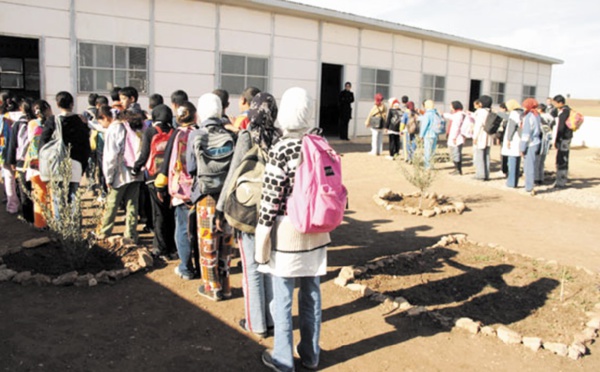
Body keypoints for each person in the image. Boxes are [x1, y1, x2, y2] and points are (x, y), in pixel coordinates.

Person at [255, 87, 330, 372]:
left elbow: (271, 198)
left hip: (287, 231)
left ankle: (283, 359)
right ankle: (311, 355)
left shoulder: (282, 147)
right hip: (318, 228)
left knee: (283, 297)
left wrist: (263, 231)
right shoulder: (321, 144)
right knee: (312, 293)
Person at [216, 92, 281, 336]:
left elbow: (234, 173)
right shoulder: (279, 136)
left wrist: (221, 208)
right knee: (270, 267)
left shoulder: (246, 135)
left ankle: (256, 323)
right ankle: (272, 320)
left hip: (248, 212)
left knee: (251, 270)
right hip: (272, 213)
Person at [187, 93, 235, 301]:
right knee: (226, 241)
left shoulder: (195, 135)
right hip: (228, 196)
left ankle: (211, 287)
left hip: (206, 195)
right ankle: (225, 286)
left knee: (208, 241)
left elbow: (190, 167)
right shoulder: (231, 134)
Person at [155, 101, 198, 280]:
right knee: (199, 231)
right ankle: (203, 267)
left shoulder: (175, 135)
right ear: (195, 116)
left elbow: (165, 163)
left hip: (180, 190)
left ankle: (186, 268)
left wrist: (161, 185)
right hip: (199, 189)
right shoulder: (199, 134)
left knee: (182, 229)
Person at [131, 104, 176, 258]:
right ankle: (173, 247)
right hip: (171, 178)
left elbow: (144, 156)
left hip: (153, 179)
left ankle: (160, 248)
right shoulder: (174, 132)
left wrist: (135, 169)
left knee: (158, 214)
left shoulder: (150, 132)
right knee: (171, 213)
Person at [40, 91, 91, 214]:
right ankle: (74, 224)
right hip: (76, 163)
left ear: (57, 104)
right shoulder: (80, 121)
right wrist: (83, 166)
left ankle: (60, 226)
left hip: (57, 162)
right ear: (72, 104)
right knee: (74, 195)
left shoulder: (53, 121)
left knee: (58, 196)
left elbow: (43, 142)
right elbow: (86, 146)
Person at [98, 109, 145, 241]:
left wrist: (108, 176)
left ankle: (104, 232)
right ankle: (130, 234)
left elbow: (110, 156)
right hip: (136, 171)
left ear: (106, 117)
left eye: (101, 121)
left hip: (120, 173)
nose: (101, 125)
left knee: (112, 203)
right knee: (132, 204)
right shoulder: (133, 127)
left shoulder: (114, 129)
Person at [6, 97, 35, 223]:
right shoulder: (36, 123)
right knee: (38, 189)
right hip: (35, 161)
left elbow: (13, 144)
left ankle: (28, 216)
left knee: (24, 190)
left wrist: (11, 161)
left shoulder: (18, 124)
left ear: (21, 109)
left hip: (21, 162)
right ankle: (39, 216)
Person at [25, 100, 52, 229]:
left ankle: (39, 223)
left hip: (33, 162)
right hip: (48, 161)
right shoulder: (51, 123)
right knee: (51, 193)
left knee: (39, 193)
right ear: (46, 109)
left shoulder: (31, 124)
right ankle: (52, 221)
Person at [0, 92, 19, 214]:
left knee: (9, 178)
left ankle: (12, 205)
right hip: (22, 152)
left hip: (5, 151)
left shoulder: (3, 118)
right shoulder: (24, 115)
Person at [520, 98, 542, 195]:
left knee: (529, 166)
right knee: (532, 164)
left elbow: (526, 134)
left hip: (530, 143)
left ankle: (529, 187)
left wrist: (522, 148)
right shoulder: (537, 115)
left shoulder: (529, 117)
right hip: (536, 141)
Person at [501, 100, 523, 188]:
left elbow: (511, 127)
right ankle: (515, 181)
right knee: (517, 161)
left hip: (514, 139)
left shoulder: (514, 114)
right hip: (520, 139)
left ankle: (511, 182)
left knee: (512, 161)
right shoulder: (522, 112)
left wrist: (508, 139)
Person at [552, 94, 572, 188]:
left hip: (563, 138)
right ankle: (561, 179)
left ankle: (561, 181)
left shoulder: (564, 112)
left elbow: (561, 128)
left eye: (555, 103)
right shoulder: (568, 110)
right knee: (563, 158)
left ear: (560, 103)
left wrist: (556, 140)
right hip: (566, 138)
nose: (554, 105)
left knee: (562, 159)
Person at [472, 95, 493, 180]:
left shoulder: (480, 112)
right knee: (487, 155)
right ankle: (486, 174)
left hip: (481, 135)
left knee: (479, 155)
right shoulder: (489, 111)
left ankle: (480, 174)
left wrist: (475, 137)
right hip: (488, 135)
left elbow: (478, 125)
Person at [535, 103, 554, 185]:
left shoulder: (540, 117)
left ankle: (536, 178)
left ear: (540, 109)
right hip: (547, 141)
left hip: (540, 141)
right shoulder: (551, 118)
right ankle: (541, 178)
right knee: (542, 162)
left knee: (536, 161)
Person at [419, 100, 440, 169]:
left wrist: (421, 135)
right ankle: (432, 165)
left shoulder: (427, 114)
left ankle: (427, 166)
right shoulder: (436, 113)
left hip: (428, 134)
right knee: (433, 151)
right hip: (435, 134)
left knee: (427, 150)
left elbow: (424, 126)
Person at [447, 101, 466, 175]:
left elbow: (456, 127)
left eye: (451, 106)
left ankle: (458, 169)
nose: (450, 107)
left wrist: (454, 137)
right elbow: (449, 116)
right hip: (459, 137)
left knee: (455, 153)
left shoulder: (458, 115)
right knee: (457, 153)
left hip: (456, 137)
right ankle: (457, 169)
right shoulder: (460, 114)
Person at [497, 102, 509, 177]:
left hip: (505, 138)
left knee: (504, 155)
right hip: (504, 138)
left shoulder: (506, 117)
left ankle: (504, 170)